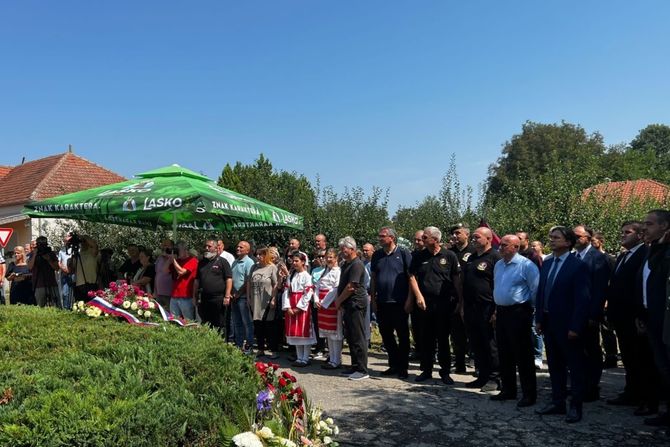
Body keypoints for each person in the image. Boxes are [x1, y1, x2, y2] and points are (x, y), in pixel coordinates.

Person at [535, 226, 591, 423]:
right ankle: (557, 402)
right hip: (549, 322)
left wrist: (576, 327)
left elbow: (582, 300)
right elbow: (541, 292)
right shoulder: (548, 263)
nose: (551, 240)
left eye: (556, 237)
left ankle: (575, 406)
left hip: (568, 325)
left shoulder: (578, 266)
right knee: (555, 365)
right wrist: (539, 319)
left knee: (574, 367)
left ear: (568, 242)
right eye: (550, 237)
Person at [605, 221, 658, 416]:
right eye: (621, 232)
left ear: (638, 235)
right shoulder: (623, 256)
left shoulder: (645, 254)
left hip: (636, 317)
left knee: (642, 358)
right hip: (621, 317)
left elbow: (640, 287)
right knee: (628, 356)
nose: (622, 235)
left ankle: (646, 397)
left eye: (627, 232)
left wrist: (639, 315)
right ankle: (631, 391)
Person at [490, 235, 539, 407]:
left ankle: (529, 394)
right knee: (505, 353)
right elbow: (498, 288)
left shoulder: (526, 266)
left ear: (516, 247)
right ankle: (508, 390)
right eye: (500, 245)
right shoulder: (498, 264)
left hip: (519, 313)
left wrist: (530, 312)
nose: (500, 248)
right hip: (502, 312)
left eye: (504, 245)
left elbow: (535, 291)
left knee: (523, 355)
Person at [410, 226, 462, 385]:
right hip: (425, 304)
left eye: (425, 237)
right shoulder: (419, 256)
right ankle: (426, 370)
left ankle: (445, 372)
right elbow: (412, 276)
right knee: (426, 339)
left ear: (435, 239)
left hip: (444, 304)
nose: (422, 240)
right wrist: (418, 295)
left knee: (443, 339)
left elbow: (456, 279)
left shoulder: (449, 255)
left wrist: (460, 300)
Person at [637, 209, 670, 429]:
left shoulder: (664, 252)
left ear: (665, 227)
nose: (644, 229)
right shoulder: (653, 251)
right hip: (652, 317)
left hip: (665, 318)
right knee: (663, 368)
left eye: (649, 224)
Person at [573, 224, 612, 402]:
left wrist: (594, 315)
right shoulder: (573, 257)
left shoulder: (598, 258)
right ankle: (579, 384)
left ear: (588, 238)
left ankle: (592, 387)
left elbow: (600, 289)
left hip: (589, 314)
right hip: (573, 312)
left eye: (578, 236)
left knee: (591, 351)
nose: (575, 239)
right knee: (576, 351)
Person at [462, 227, 502, 390]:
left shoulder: (495, 257)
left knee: (490, 344)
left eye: (477, 237)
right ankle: (482, 375)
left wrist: (495, 310)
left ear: (488, 239)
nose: (473, 239)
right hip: (471, 307)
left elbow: (498, 284)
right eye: (473, 237)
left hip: (488, 307)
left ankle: (495, 378)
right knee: (476, 343)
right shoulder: (471, 257)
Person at [370, 227, 412, 379]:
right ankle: (393, 364)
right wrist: (373, 299)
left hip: (400, 302)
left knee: (403, 336)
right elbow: (373, 278)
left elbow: (411, 277)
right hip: (382, 302)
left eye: (383, 236)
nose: (380, 238)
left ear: (392, 238)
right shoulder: (377, 255)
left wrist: (410, 299)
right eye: (379, 236)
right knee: (386, 336)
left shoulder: (403, 253)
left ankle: (403, 367)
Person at [335, 236, 370, 381]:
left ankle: (362, 369)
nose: (342, 252)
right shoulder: (346, 264)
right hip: (348, 305)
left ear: (352, 249)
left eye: (344, 249)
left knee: (358, 336)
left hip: (356, 304)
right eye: (341, 249)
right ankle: (355, 366)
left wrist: (338, 301)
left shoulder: (357, 265)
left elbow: (351, 287)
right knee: (350, 336)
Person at [449, 223, 475, 374]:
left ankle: (475, 361)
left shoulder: (473, 252)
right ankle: (459, 364)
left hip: (471, 297)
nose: (455, 235)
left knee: (472, 333)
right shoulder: (449, 252)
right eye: (454, 233)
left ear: (467, 235)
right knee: (456, 333)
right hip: (454, 298)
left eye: (458, 233)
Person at [283, 251, 315, 366]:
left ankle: (305, 358)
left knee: (303, 332)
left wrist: (299, 308)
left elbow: (308, 293)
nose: (294, 263)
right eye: (293, 261)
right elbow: (286, 292)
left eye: (297, 261)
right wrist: (287, 307)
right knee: (294, 332)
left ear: (303, 262)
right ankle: (299, 357)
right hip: (291, 305)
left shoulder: (307, 276)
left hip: (302, 308)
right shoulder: (291, 275)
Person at [195, 239, 233, 335]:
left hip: (218, 298)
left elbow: (229, 279)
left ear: (216, 248)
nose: (206, 248)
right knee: (206, 323)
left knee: (219, 323)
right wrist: (193, 296)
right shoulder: (201, 263)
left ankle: (221, 345)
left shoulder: (222, 262)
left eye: (209, 246)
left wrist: (227, 296)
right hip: (204, 298)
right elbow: (197, 280)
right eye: (205, 246)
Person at [248, 247, 279, 357]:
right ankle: (261, 349)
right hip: (255, 300)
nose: (258, 257)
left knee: (269, 326)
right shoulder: (254, 267)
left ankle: (273, 350)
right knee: (258, 325)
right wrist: (248, 297)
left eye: (261, 255)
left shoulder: (272, 267)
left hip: (267, 300)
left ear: (266, 256)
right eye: (257, 254)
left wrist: (274, 299)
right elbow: (249, 282)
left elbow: (276, 284)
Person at [315, 248, 343, 369]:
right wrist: (316, 300)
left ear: (336, 258)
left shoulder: (338, 271)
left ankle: (336, 360)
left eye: (331, 257)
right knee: (327, 334)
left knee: (334, 334)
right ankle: (331, 357)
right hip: (322, 305)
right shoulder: (325, 271)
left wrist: (324, 302)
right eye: (327, 257)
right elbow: (317, 286)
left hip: (331, 304)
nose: (328, 259)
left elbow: (335, 288)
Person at [231, 241, 255, 351]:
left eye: (241, 247)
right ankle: (238, 344)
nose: (238, 248)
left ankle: (249, 345)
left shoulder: (249, 262)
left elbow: (247, 281)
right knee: (237, 322)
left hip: (243, 297)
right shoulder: (235, 262)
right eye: (238, 246)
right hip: (234, 296)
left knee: (247, 322)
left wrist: (238, 293)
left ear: (247, 250)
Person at [168, 242, 198, 320]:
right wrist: (169, 259)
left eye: (179, 250)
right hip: (174, 295)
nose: (177, 252)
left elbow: (181, 272)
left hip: (186, 296)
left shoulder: (192, 260)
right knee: (174, 320)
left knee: (188, 321)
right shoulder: (177, 261)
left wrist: (173, 260)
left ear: (185, 250)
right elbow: (164, 270)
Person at [28, 236, 60, 307]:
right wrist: (35, 254)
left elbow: (57, 268)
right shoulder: (33, 254)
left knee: (56, 306)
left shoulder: (51, 253)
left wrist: (49, 260)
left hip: (51, 283)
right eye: (39, 244)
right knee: (40, 307)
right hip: (39, 285)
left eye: (43, 244)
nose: (42, 246)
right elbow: (30, 267)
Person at [71, 235, 100, 302]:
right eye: (82, 242)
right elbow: (73, 269)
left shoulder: (92, 252)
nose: (83, 243)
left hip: (92, 283)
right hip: (80, 285)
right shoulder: (77, 254)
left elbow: (94, 245)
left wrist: (83, 236)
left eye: (84, 241)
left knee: (93, 307)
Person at [154, 239, 175, 310]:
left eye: (166, 245)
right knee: (159, 314)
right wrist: (155, 291)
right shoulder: (159, 258)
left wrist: (169, 256)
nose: (163, 247)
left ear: (172, 247)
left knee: (170, 315)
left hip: (169, 293)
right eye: (162, 245)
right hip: (159, 293)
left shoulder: (175, 258)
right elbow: (157, 275)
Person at [57, 233, 74, 310]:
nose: (67, 242)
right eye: (65, 241)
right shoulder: (62, 250)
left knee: (74, 292)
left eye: (68, 241)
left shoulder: (76, 250)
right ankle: (66, 308)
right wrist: (63, 268)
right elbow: (59, 262)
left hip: (73, 273)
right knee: (65, 293)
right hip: (64, 274)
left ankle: (73, 307)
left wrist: (71, 269)